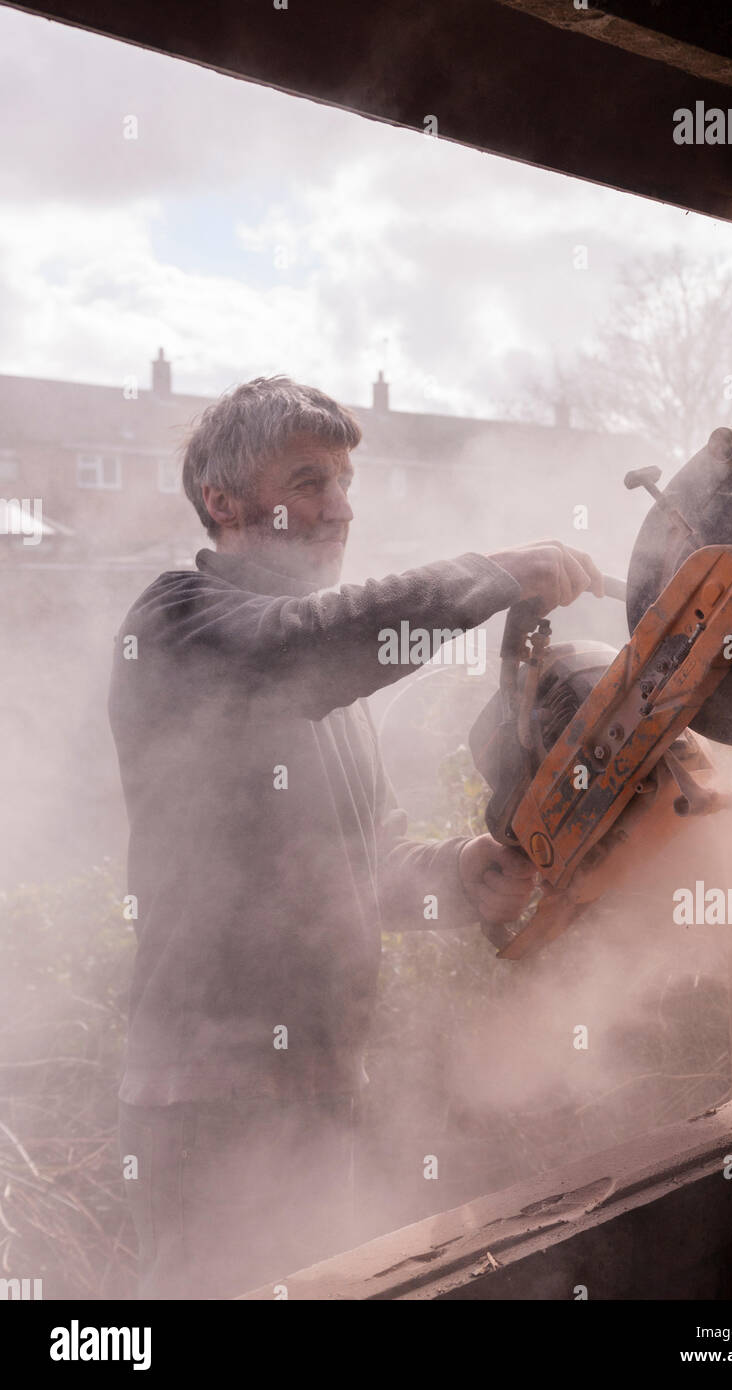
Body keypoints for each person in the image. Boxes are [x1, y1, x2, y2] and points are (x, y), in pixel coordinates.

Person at [109, 375, 603, 1298]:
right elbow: (306, 643)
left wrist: (462, 874)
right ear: (221, 501)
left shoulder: (328, 690)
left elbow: (368, 863)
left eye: (343, 482)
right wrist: (495, 573)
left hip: (321, 1089)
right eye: (307, 482)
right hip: (206, 1101)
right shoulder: (178, 624)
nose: (339, 509)